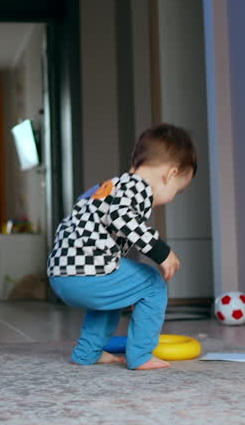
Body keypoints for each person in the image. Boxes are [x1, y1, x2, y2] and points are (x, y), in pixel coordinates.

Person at [47, 123, 196, 370]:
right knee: (152, 284)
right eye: (177, 191)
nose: (172, 197)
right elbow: (122, 219)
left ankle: (87, 353)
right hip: (86, 269)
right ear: (170, 174)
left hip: (62, 274)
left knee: (116, 291)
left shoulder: (111, 187)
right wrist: (162, 252)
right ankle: (141, 355)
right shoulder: (137, 187)